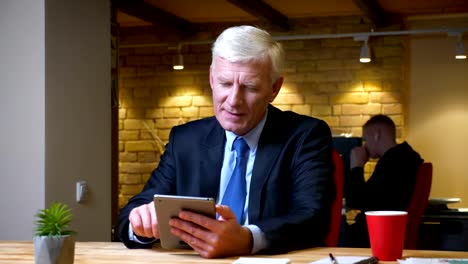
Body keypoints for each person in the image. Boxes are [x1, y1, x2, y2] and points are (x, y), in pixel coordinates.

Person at [116, 25, 335, 258]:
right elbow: (131, 213)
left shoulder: (305, 135)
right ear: (212, 78)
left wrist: (248, 239)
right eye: (225, 83)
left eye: (249, 87)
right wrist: (140, 224)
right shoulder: (185, 139)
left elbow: (313, 217)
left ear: (274, 88)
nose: (234, 101)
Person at [344, 114, 423, 247]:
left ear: (376, 134)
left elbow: (356, 200)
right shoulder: (405, 157)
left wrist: (356, 166)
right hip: (386, 230)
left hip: (375, 234)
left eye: (365, 139)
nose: (365, 145)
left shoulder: (394, 161)